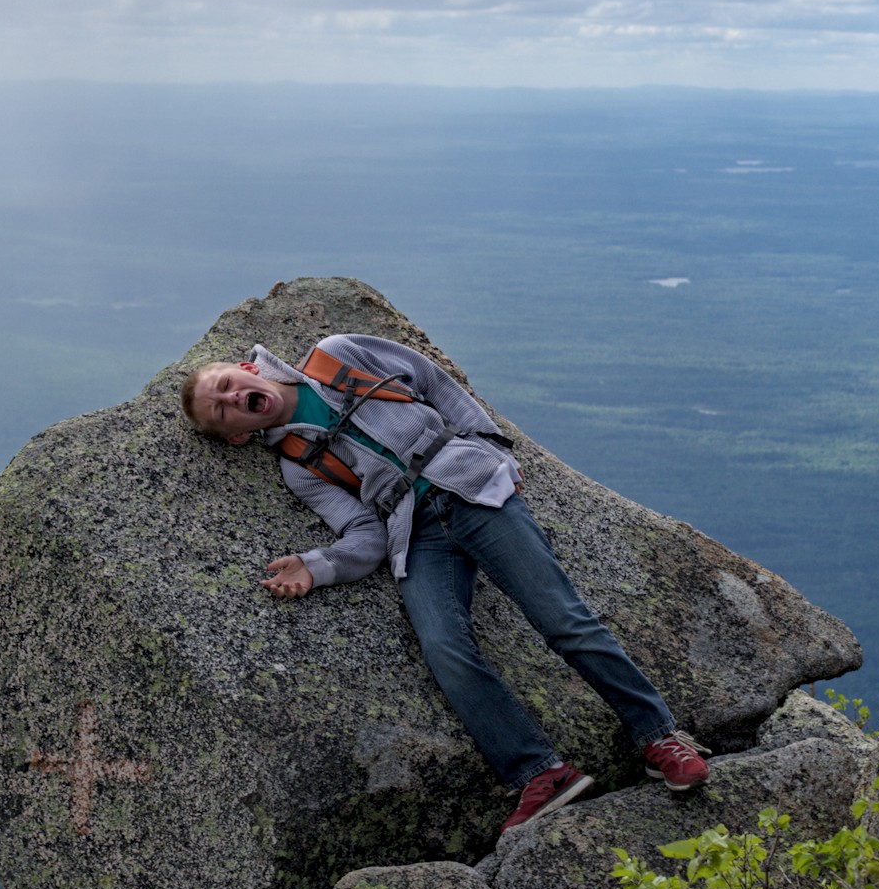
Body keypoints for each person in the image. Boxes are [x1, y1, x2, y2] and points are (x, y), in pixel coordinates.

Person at [180, 333, 710, 832]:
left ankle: (661, 737)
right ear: (237, 436)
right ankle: (541, 775)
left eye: (227, 385)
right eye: (221, 410)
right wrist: (317, 566)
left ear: (248, 369)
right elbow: (364, 534)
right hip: (415, 528)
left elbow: (432, 380)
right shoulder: (299, 466)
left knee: (560, 618)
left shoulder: (337, 355)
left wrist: (490, 446)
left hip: (471, 487)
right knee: (444, 647)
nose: (232, 399)